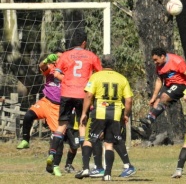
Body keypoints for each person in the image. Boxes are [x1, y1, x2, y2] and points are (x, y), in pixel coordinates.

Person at [47, 30, 102, 175]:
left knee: (61, 126)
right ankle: (85, 165)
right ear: (84, 42)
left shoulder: (65, 55)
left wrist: (69, 80)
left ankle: (52, 154)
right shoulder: (91, 56)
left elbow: (57, 74)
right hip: (82, 94)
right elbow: (100, 74)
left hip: (66, 94)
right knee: (83, 125)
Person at [75, 54, 134, 181]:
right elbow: (128, 100)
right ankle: (107, 174)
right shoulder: (122, 78)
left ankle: (85, 168)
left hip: (99, 112)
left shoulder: (96, 76)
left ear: (102, 64)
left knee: (89, 139)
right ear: (114, 64)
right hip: (115, 114)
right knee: (109, 143)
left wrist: (84, 113)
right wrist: (126, 115)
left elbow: (89, 95)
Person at [17, 48, 64, 149]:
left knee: (57, 136)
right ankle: (25, 140)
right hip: (46, 101)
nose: (60, 59)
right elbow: (42, 66)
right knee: (28, 115)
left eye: (62, 57)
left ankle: (54, 160)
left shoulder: (67, 71)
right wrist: (47, 60)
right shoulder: (50, 68)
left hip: (57, 106)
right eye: (58, 57)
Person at [141, 47, 186, 125]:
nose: (155, 62)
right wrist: (154, 97)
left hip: (181, 84)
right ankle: (144, 128)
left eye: (156, 60)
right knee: (156, 103)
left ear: (162, 56)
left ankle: (150, 119)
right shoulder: (159, 64)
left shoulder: (177, 61)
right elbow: (159, 80)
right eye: (153, 60)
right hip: (169, 84)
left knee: (164, 97)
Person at [88, 113, 136, 178]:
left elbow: (128, 102)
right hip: (105, 115)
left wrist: (125, 114)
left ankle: (127, 165)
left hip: (115, 115)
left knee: (115, 140)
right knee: (106, 140)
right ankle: (101, 169)